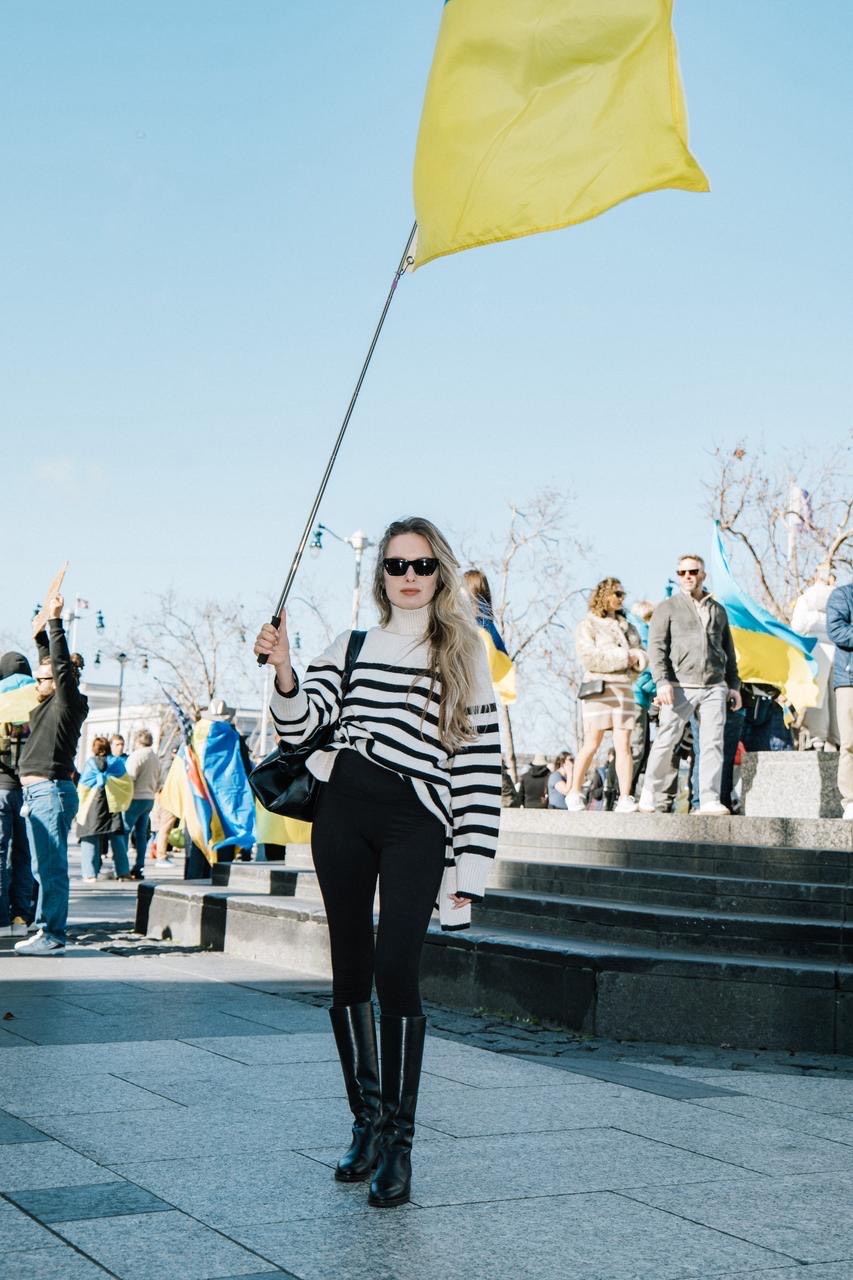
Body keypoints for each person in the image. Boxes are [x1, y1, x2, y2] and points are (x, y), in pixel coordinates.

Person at [254, 516, 501, 1209]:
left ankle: (399, 1145)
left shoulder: (464, 651)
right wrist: (283, 669)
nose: (410, 577)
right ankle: (365, 1124)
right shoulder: (353, 644)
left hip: (417, 819)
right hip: (343, 811)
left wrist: (468, 871)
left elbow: (480, 767)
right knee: (349, 967)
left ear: (441, 573)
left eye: (423, 566)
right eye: (397, 565)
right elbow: (302, 726)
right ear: (381, 575)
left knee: (398, 970)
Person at [638, 554, 741, 816]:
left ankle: (708, 799)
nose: (687, 576)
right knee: (667, 739)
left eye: (693, 571)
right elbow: (657, 647)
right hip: (679, 684)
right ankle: (650, 790)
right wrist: (661, 681)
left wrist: (734, 685)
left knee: (712, 742)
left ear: (703, 575)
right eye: (682, 572)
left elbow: (727, 649)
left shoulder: (718, 609)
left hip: (714, 685)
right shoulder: (667, 607)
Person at [15, 596, 89, 955]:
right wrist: (39, 635)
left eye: (41, 679)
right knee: (42, 867)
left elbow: (58, 667)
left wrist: (56, 623)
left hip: (49, 792)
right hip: (38, 794)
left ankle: (53, 935)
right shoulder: (48, 703)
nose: (36, 682)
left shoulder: (67, 702)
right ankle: (47, 929)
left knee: (51, 868)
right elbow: (51, 664)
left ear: (58, 683)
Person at [566, 578, 647, 814]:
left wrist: (638, 659)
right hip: (598, 686)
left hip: (623, 687)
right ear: (605, 595)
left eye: (623, 594)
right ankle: (574, 790)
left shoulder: (627, 626)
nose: (622, 599)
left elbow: (639, 652)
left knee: (624, 744)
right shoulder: (588, 625)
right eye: (617, 594)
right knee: (592, 741)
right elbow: (589, 657)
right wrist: (624, 657)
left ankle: (625, 796)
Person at [0, 652, 37, 936]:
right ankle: (21, 918)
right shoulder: (38, 703)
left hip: (0, 788)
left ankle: (1, 919)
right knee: (26, 855)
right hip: (30, 789)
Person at [77, 737, 133, 880]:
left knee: (89, 838)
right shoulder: (117, 763)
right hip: (112, 805)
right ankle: (123, 872)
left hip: (92, 805)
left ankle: (90, 874)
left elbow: (83, 787)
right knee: (117, 839)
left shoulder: (90, 764)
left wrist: (80, 806)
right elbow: (126, 784)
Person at [826, 580, 853, 819]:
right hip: (850, 680)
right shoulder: (843, 595)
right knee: (850, 743)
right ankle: (851, 800)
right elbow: (836, 630)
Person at [123, 728, 161, 879]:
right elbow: (159, 779)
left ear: (137, 740)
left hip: (135, 797)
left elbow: (129, 778)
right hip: (149, 798)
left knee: (124, 832)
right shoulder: (155, 757)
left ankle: (123, 865)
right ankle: (139, 866)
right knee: (141, 835)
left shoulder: (136, 756)